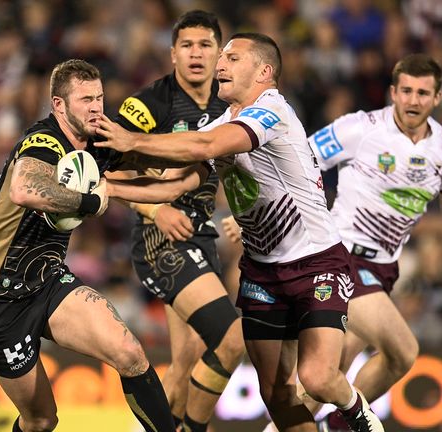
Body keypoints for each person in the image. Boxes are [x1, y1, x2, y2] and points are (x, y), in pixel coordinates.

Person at [97, 33, 383, 432]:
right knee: (277, 396)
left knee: (317, 379)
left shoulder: (272, 111)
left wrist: (131, 140)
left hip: (314, 261)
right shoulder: (223, 122)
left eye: (232, 57)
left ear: (264, 71)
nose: (220, 64)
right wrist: (108, 183)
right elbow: (174, 185)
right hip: (262, 272)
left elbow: (203, 145)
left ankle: (356, 411)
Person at [242, 53, 442, 431]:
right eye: (405, 91)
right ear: (392, 92)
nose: (412, 100)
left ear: (437, 98)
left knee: (325, 379)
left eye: (422, 93)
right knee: (402, 352)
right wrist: (262, 210)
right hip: (343, 259)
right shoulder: (360, 128)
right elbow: (298, 160)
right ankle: (345, 426)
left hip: (385, 267)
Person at [0, 59, 176, 432]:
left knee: (130, 353)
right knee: (42, 420)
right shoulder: (43, 141)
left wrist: (201, 158)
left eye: (99, 97)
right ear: (58, 106)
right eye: (85, 100)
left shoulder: (98, 139)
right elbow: (25, 188)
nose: (96, 107)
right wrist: (91, 202)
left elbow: (152, 165)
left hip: (47, 283)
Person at [112, 10, 244, 431]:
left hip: (201, 237)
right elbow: (109, 170)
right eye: (186, 45)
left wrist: (245, 214)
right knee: (229, 338)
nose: (195, 54)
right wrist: (157, 210)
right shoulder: (150, 103)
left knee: (186, 357)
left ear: (220, 55)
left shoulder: (232, 103)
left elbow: (241, 167)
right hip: (160, 240)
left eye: (205, 45)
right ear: (172, 54)